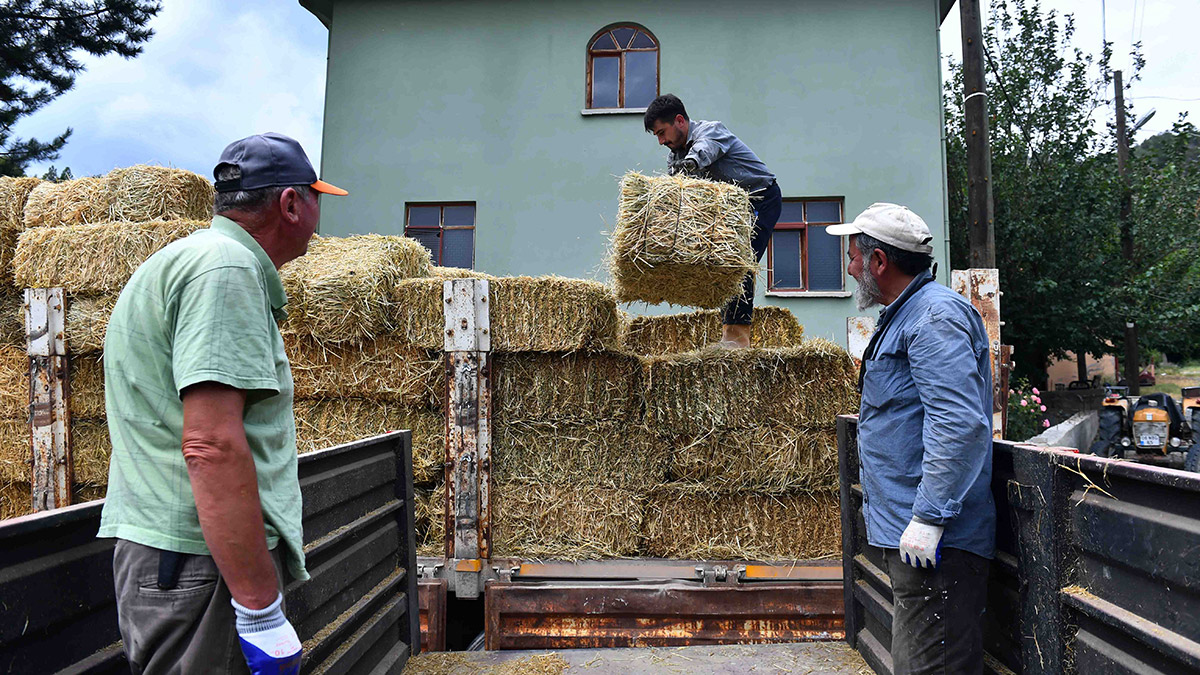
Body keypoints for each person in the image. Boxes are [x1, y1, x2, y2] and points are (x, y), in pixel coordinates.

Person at [97, 132, 347, 674]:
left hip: (184, 558)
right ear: (289, 204)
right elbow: (209, 443)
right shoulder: (226, 271)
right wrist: (259, 608)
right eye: (315, 198)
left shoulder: (189, 259)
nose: (317, 215)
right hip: (199, 563)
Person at [827, 203, 995, 674]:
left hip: (937, 542)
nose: (850, 266)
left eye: (854, 256)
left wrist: (928, 517)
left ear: (879, 261)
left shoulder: (932, 318)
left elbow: (958, 423)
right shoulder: (905, 315)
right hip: (915, 538)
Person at [643, 93, 781, 348]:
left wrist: (682, 174)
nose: (661, 141)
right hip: (731, 210)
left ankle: (738, 341)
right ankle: (727, 334)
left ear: (680, 121)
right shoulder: (674, 154)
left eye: (662, 133)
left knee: (740, 263)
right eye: (657, 136)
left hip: (761, 200)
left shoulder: (712, 132)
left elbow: (700, 156)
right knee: (719, 264)